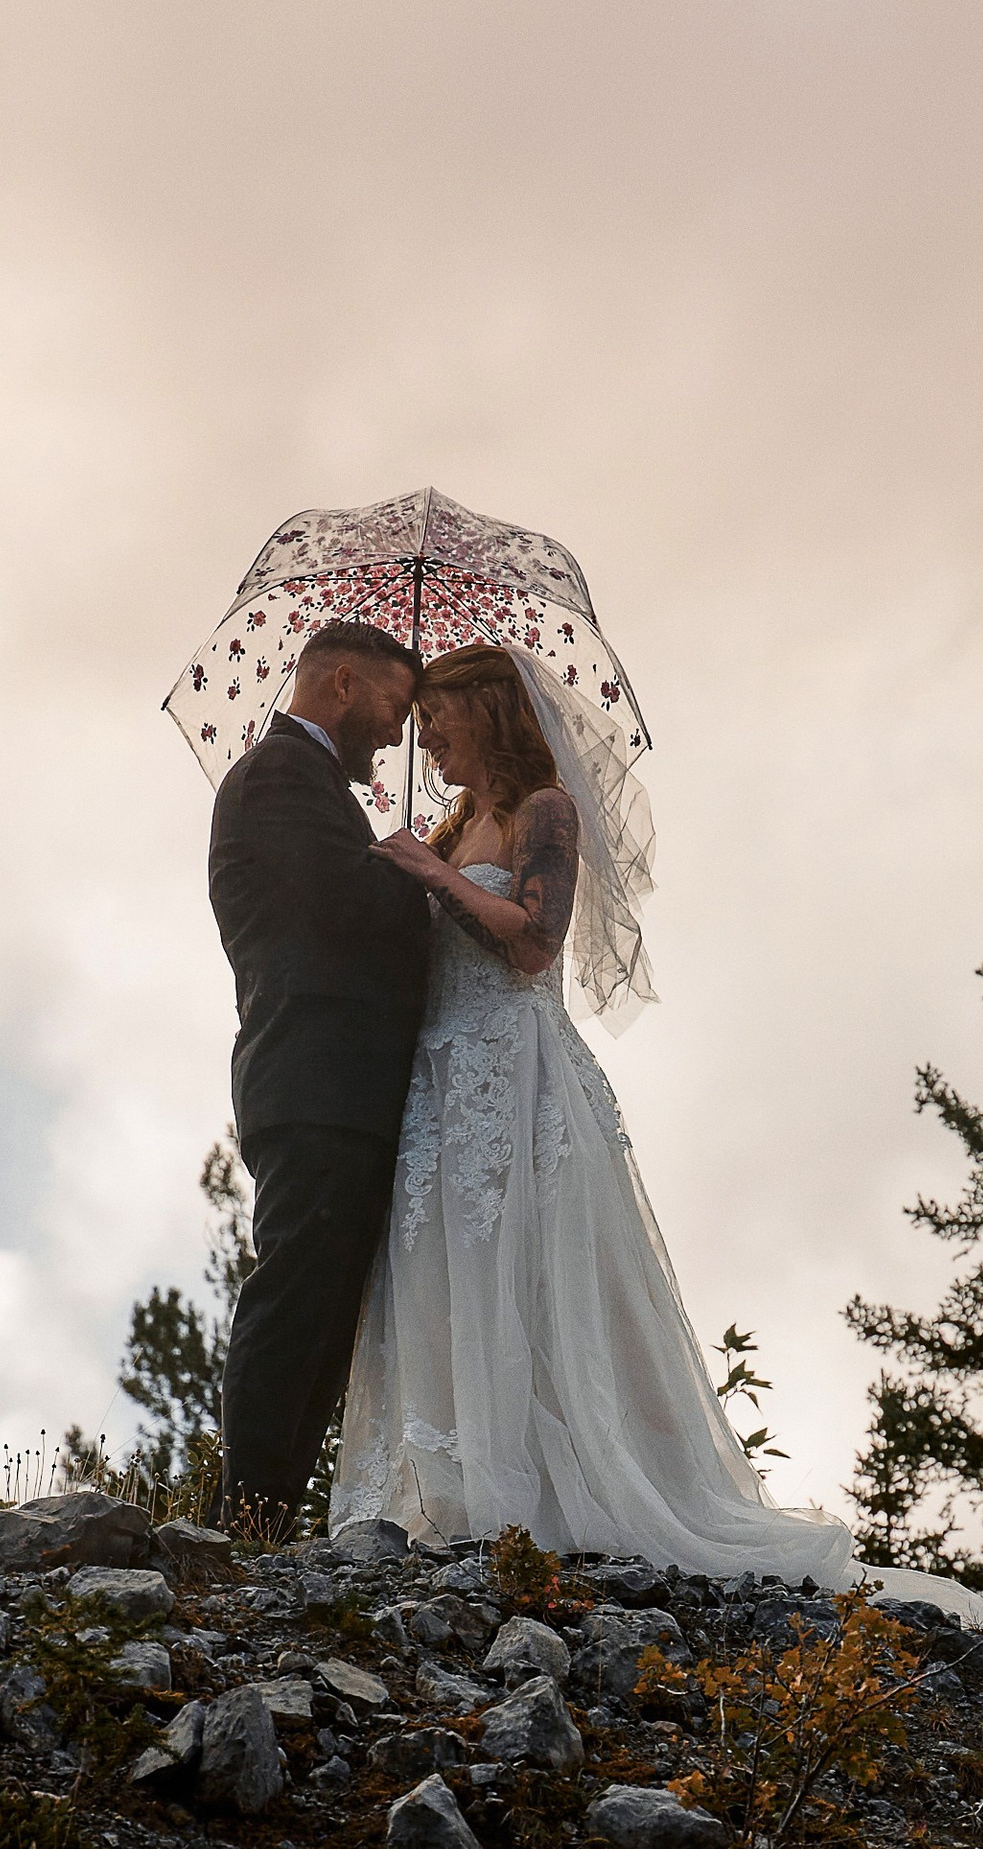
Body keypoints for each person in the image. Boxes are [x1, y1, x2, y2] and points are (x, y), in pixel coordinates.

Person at [320, 637, 856, 1583]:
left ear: (485, 712)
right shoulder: (446, 828)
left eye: (438, 716)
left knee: (522, 1270)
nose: (425, 735)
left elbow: (534, 944)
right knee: (440, 1265)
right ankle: (444, 1493)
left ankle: (525, 1501)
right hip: (439, 1079)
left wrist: (439, 879)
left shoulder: (545, 812)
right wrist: (402, 863)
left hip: (517, 1075)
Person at [207, 617, 425, 1531]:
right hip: (313, 1079)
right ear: (342, 681)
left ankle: (266, 1518)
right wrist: (428, 870)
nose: (398, 730)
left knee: (326, 1315)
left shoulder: (316, 786)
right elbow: (345, 910)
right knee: (296, 1294)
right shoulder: (279, 777)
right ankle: (242, 1517)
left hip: (339, 1085)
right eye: (394, 704)